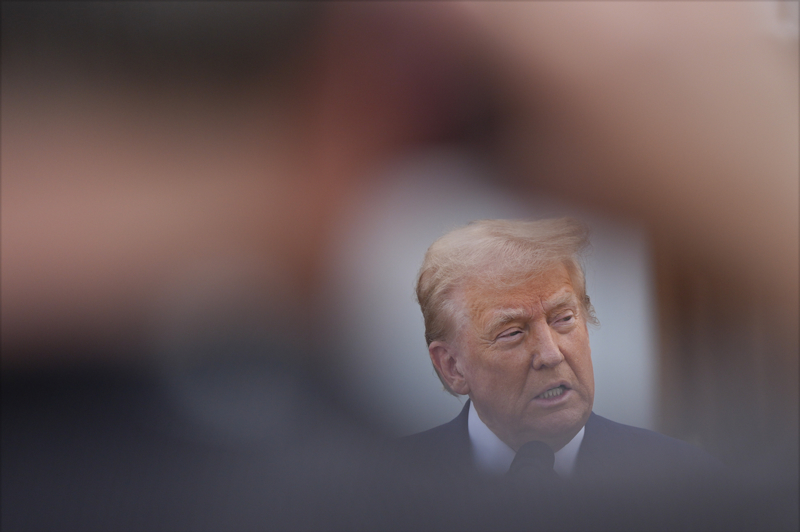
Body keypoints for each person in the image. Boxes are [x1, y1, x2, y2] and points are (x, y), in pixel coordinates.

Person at [403, 218, 722, 489]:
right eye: (512, 332)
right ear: (452, 366)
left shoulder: (685, 479)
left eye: (564, 318)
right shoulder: (390, 487)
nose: (551, 354)